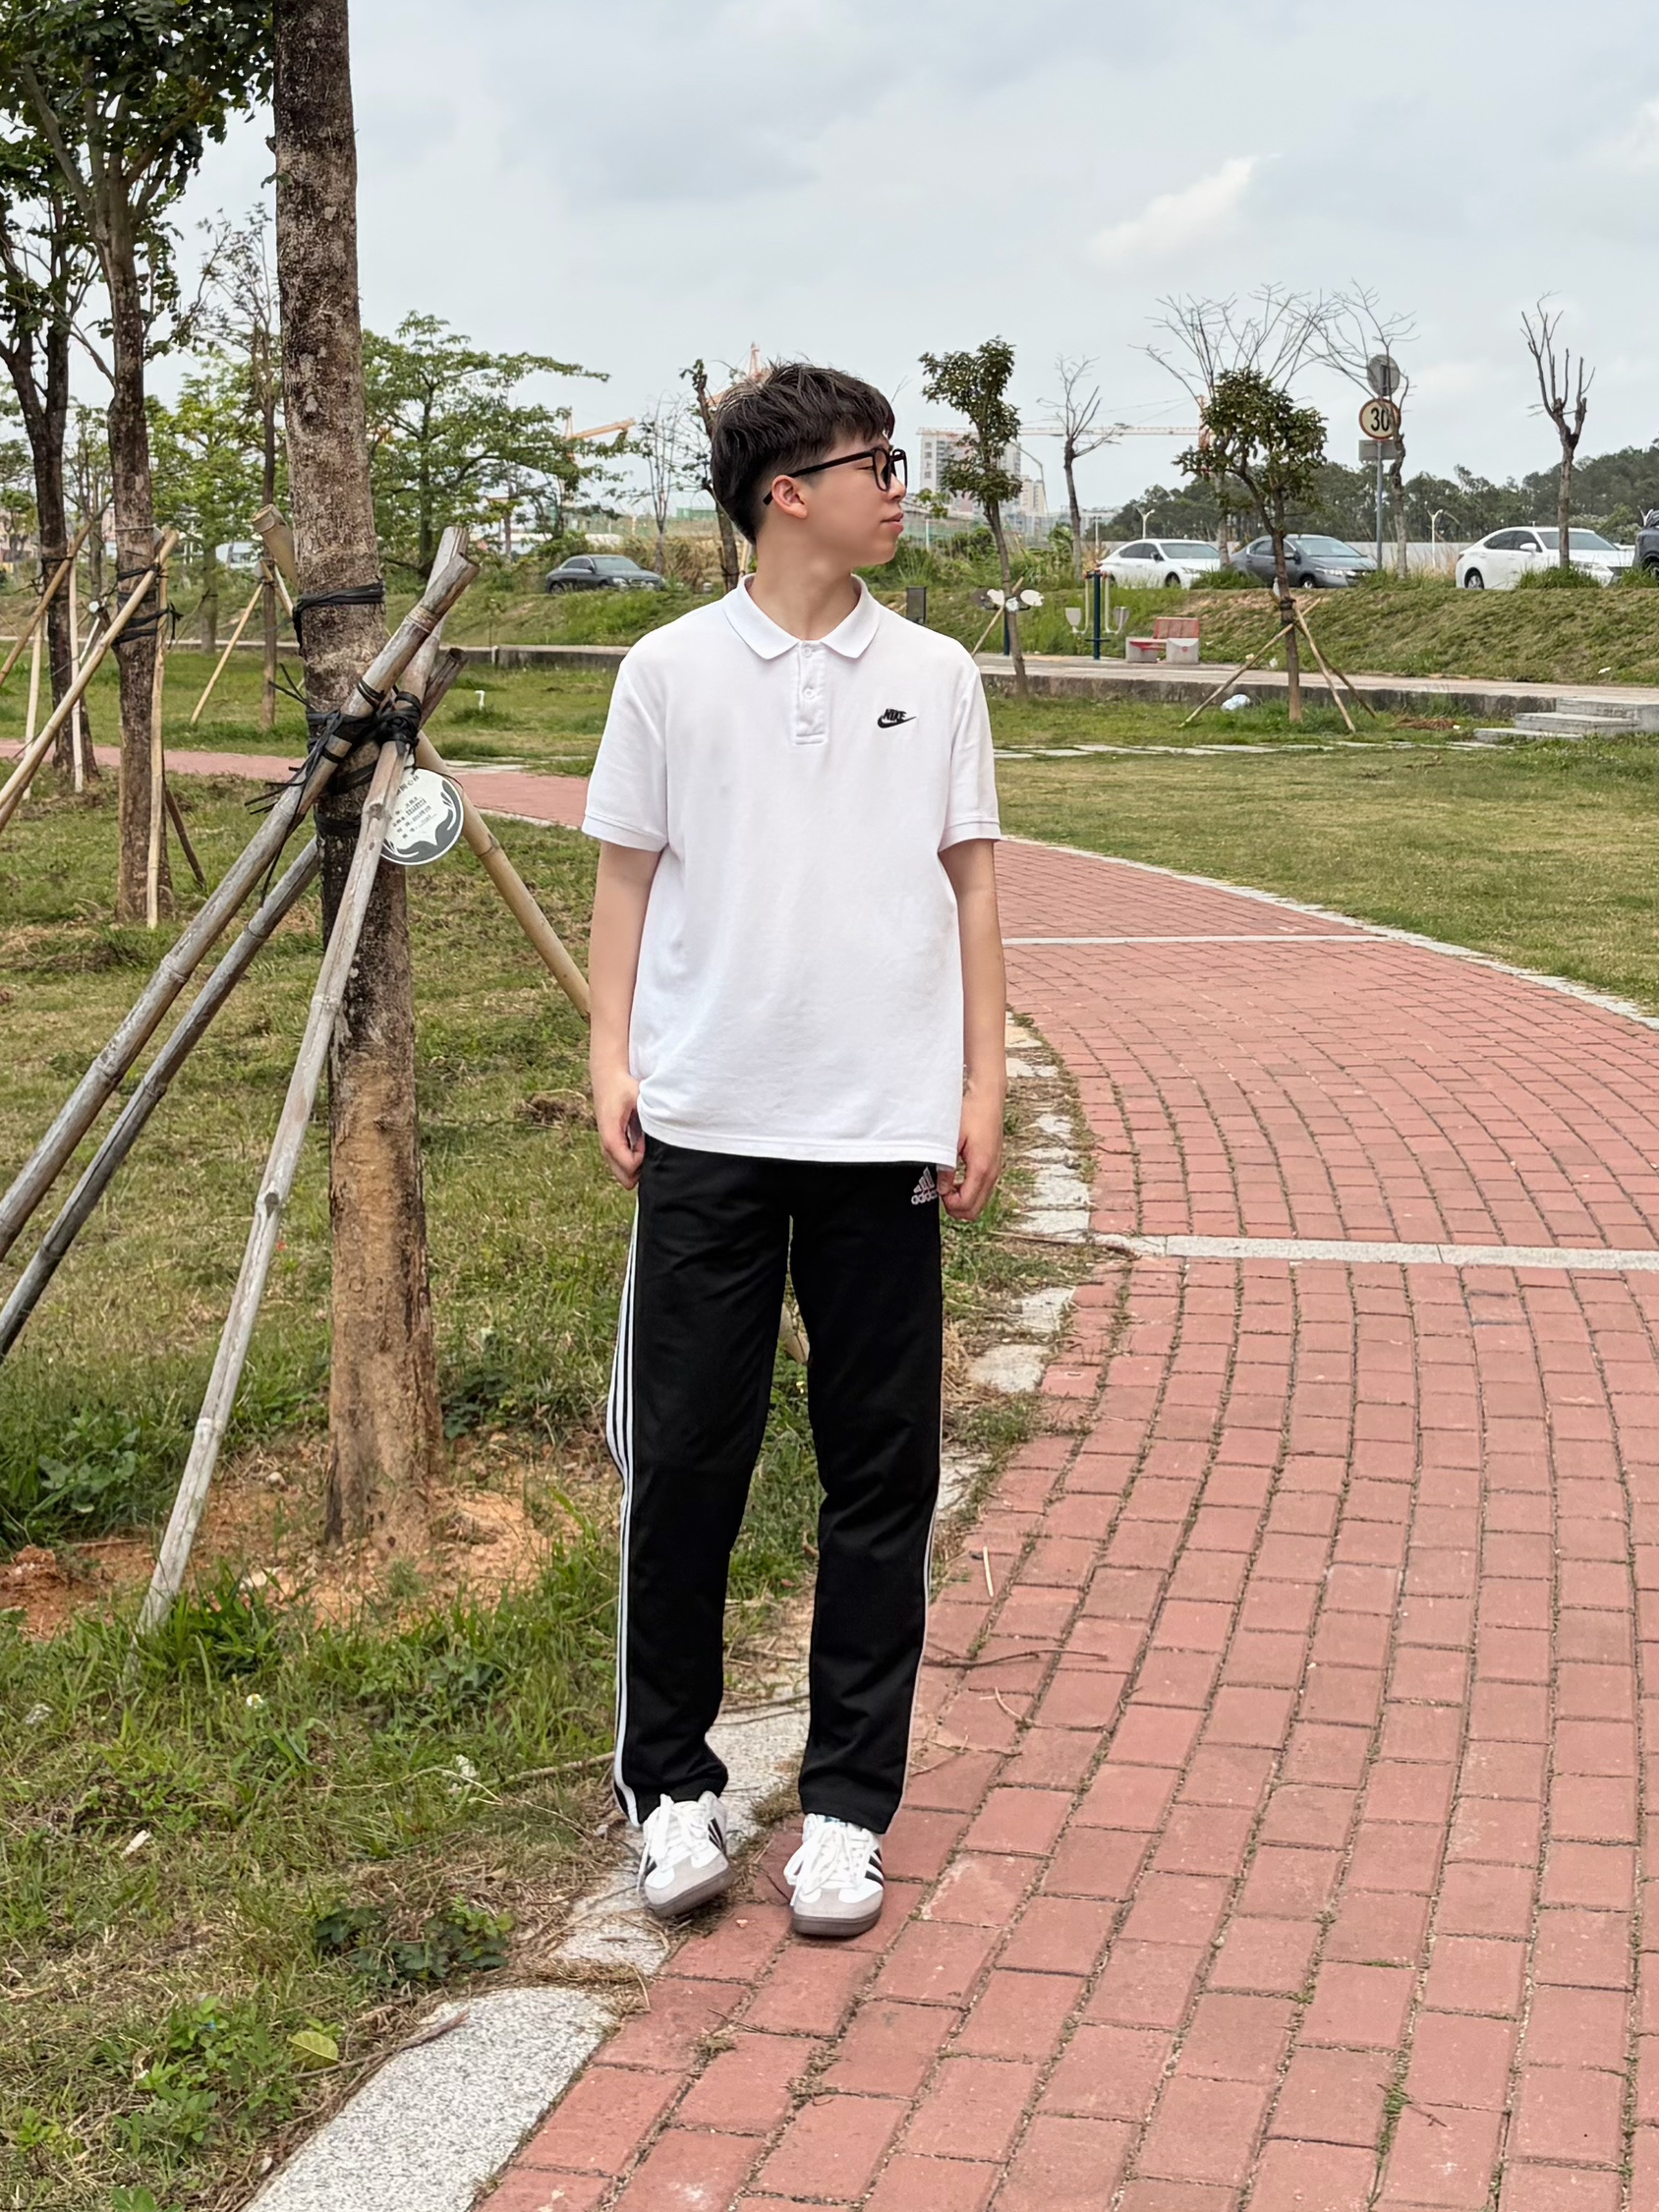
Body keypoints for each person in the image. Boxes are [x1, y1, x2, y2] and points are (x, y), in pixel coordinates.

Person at [583, 361, 1005, 1940]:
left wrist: (980, 1084)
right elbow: (628, 876)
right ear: (788, 493)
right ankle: (670, 1783)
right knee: (688, 1458)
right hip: (709, 1121)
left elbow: (972, 882)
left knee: (880, 1470)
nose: (899, 487)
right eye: (875, 462)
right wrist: (610, 1054)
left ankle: (846, 1806)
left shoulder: (939, 672)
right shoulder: (670, 671)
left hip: (881, 1124)